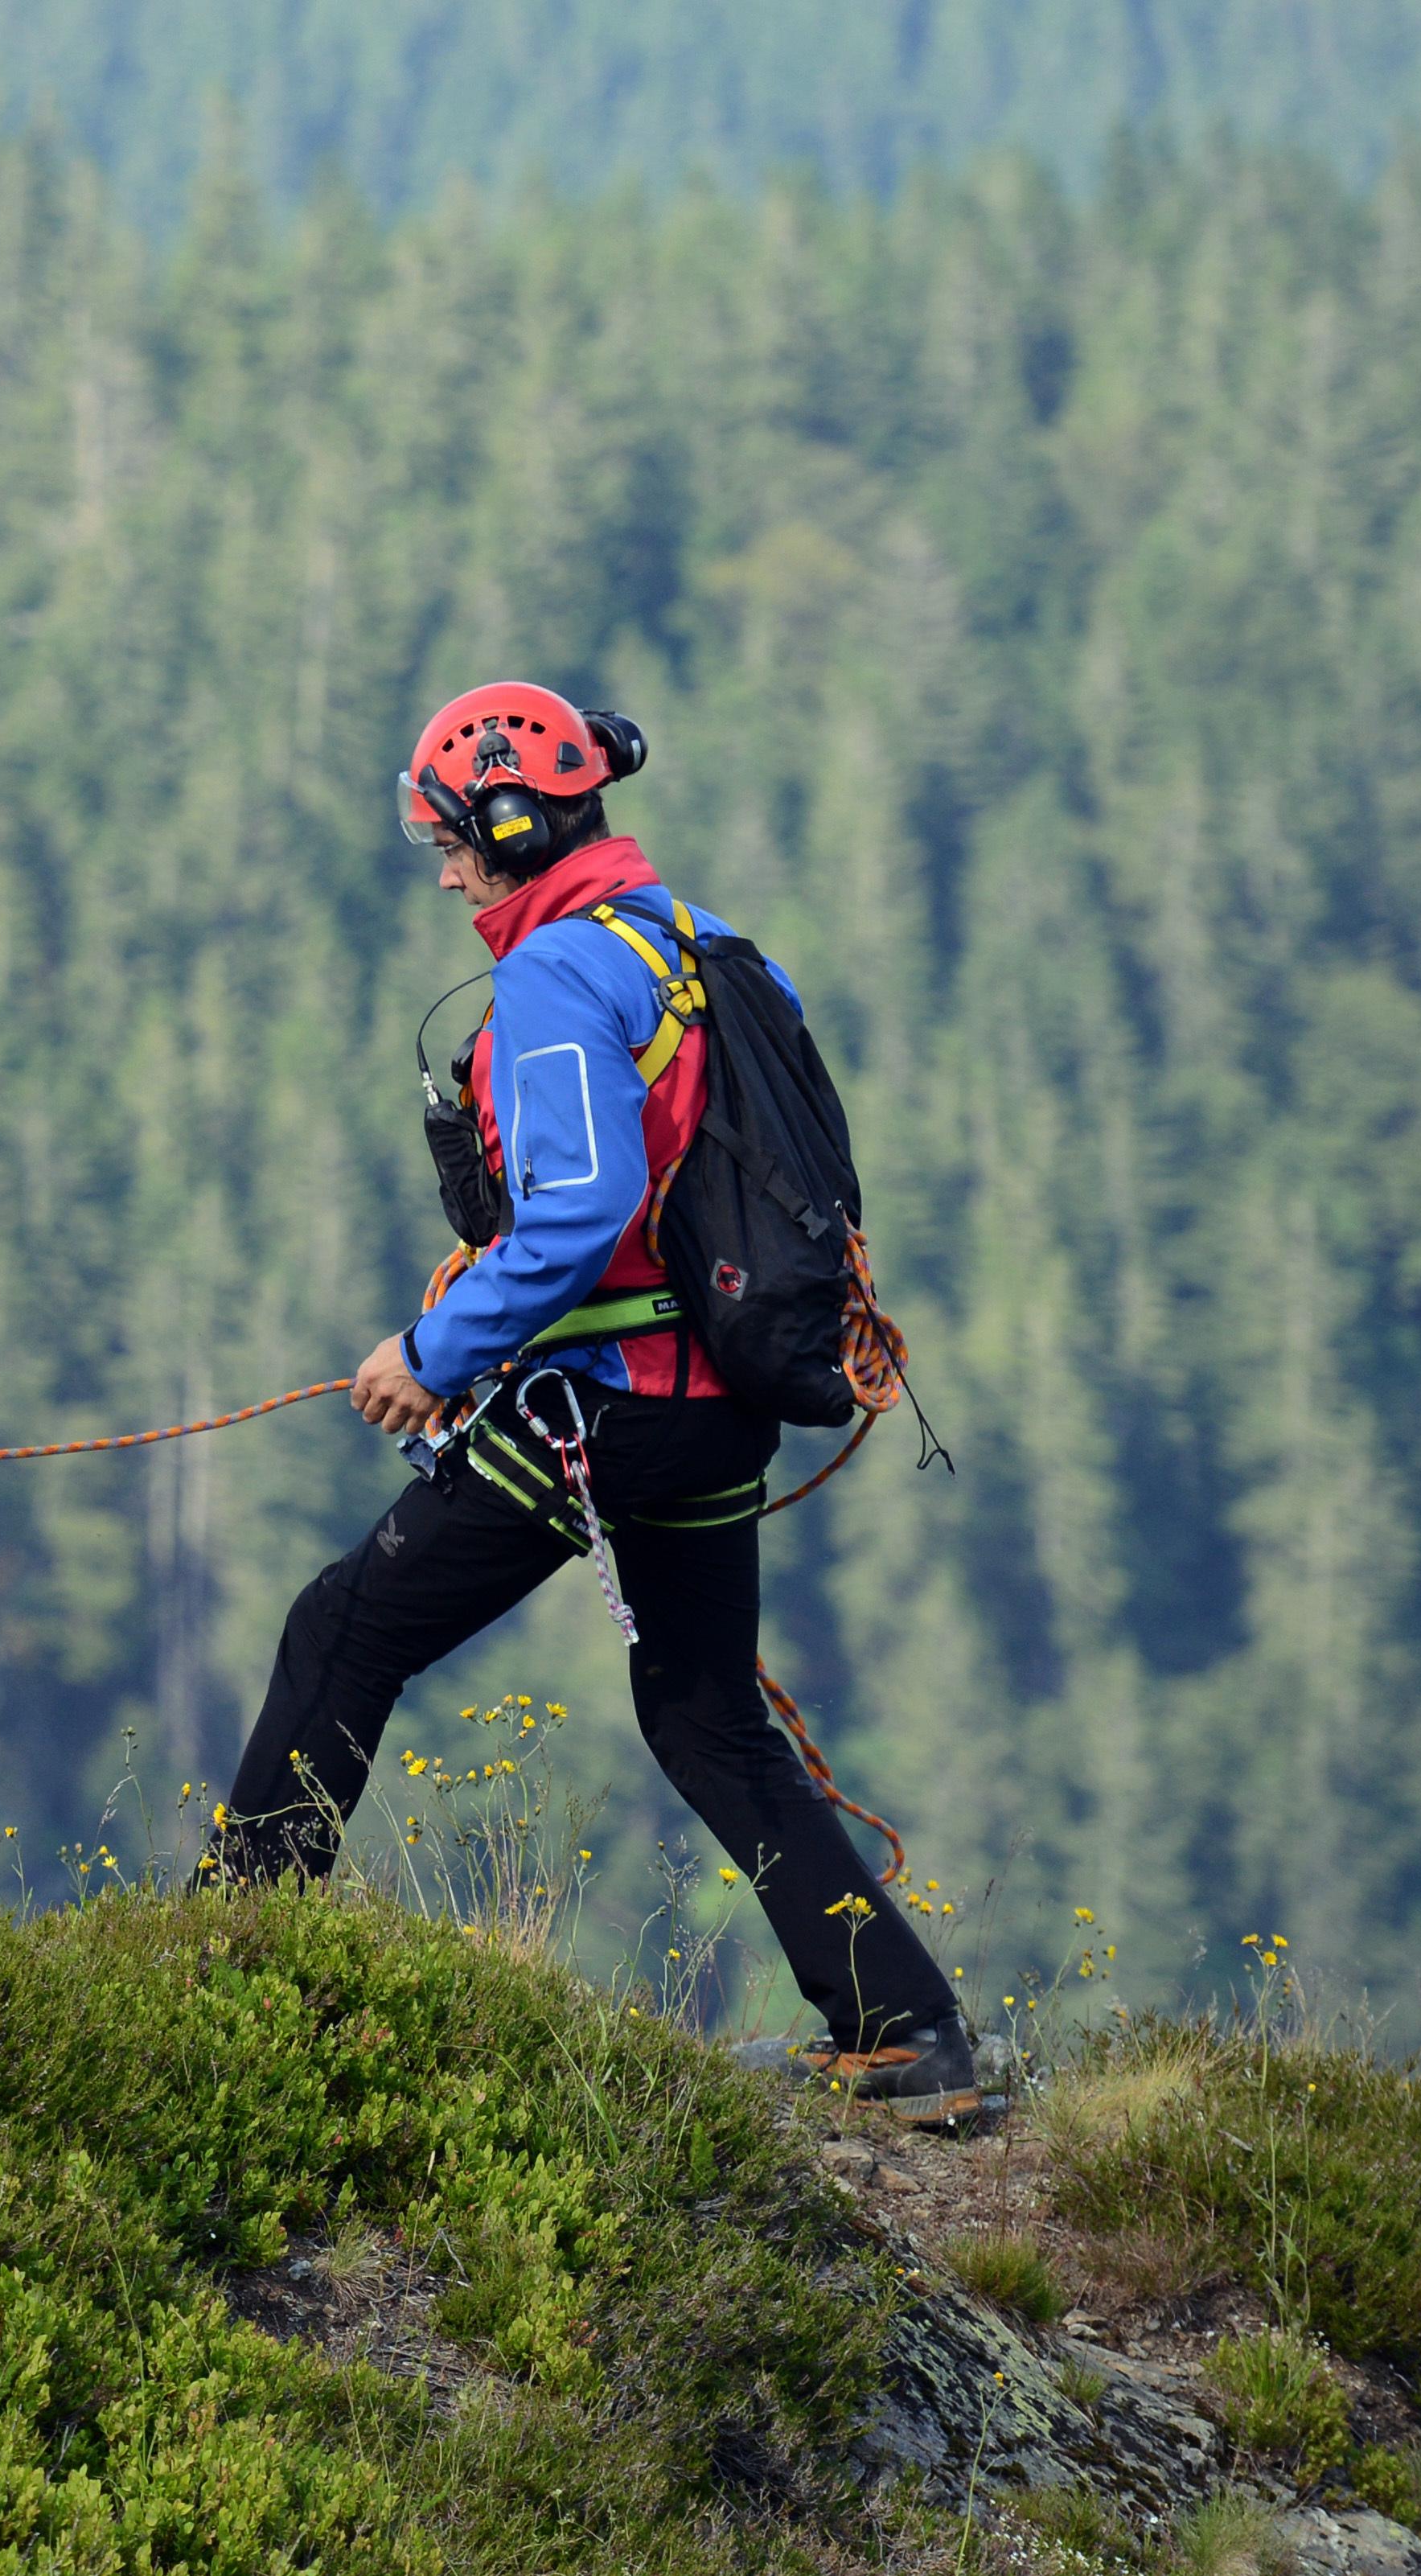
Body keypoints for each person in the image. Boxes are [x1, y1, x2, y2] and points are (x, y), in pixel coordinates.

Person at [214, 684, 981, 2121]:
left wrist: (433, 1348)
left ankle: (211, 1980)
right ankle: (908, 2035)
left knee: (339, 1628)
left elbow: (578, 1209)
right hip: (713, 1400)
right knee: (701, 1713)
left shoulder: (561, 975)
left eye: (452, 843)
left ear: (510, 826)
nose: (444, 872)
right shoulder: (704, 945)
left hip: (603, 1402)